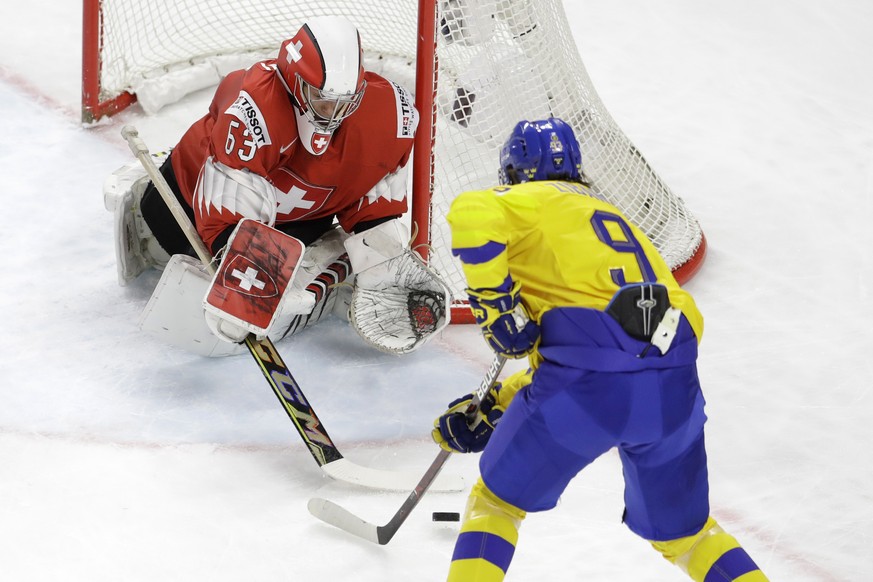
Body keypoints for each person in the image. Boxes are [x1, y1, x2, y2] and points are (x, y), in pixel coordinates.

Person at [431, 118, 768, 581]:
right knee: (690, 537)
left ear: (513, 171)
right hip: (673, 387)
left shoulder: (522, 200)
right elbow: (635, 341)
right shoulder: (620, 223)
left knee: (495, 503)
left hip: (585, 388)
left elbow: (471, 213)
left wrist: (497, 309)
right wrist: (503, 405)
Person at [104, 15, 448, 357]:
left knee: (363, 256)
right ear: (295, 83)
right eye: (323, 100)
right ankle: (312, 275)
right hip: (189, 204)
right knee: (177, 243)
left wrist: (380, 257)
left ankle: (323, 275)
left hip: (300, 219)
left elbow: (371, 197)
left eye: (345, 102)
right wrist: (244, 280)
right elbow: (226, 212)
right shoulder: (254, 109)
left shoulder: (390, 114)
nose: (334, 113)